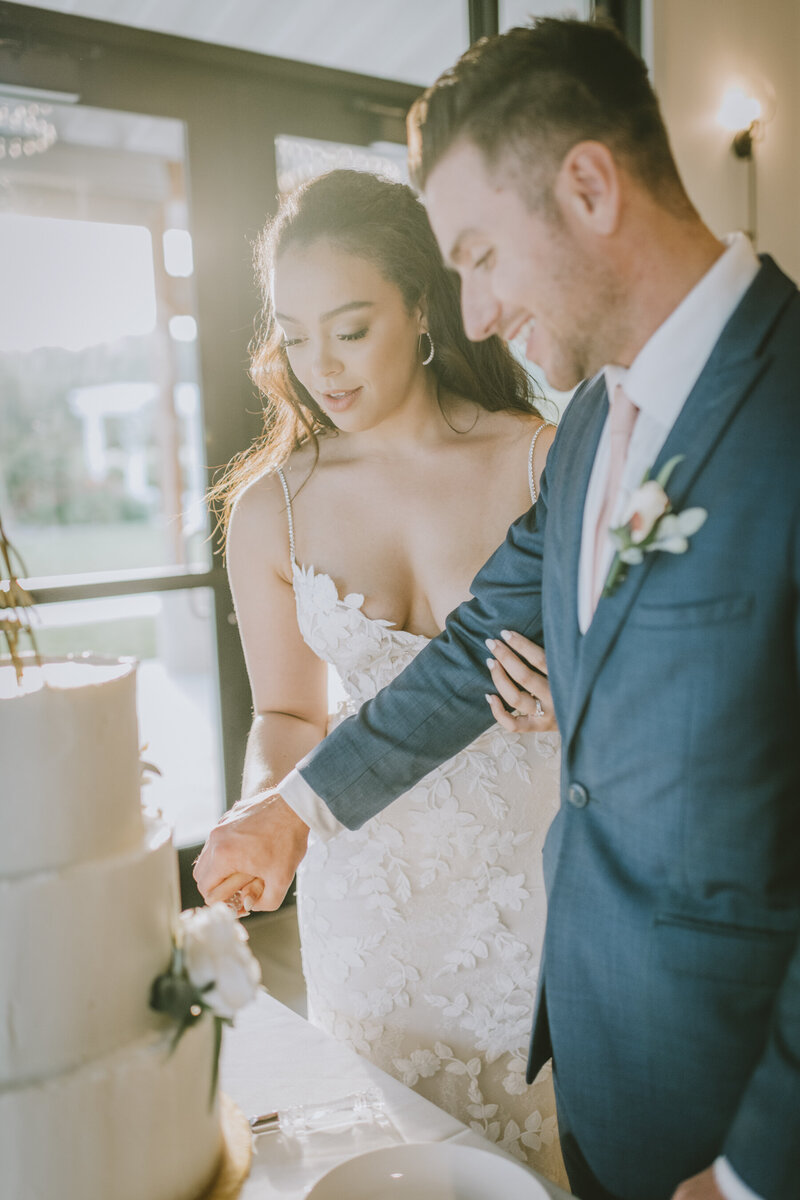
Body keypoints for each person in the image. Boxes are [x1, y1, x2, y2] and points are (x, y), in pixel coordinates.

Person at [196, 19, 800, 1200]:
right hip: (599, 1069)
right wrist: (292, 812)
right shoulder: (587, 431)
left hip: (743, 1106)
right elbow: (473, 647)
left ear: (585, 186)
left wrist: (752, 1169)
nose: (471, 315)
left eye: (476, 253)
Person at [205, 169, 567, 1180]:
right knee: (387, 1169)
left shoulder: (542, 463)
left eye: (350, 328)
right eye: (294, 332)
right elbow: (285, 709)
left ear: (420, 305)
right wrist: (261, 811)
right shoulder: (270, 507)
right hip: (366, 899)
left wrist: (573, 708)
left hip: (526, 884)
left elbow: (625, 686)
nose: (321, 365)